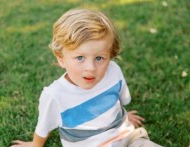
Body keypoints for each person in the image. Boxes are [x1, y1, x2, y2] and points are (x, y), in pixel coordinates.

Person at [11, 8, 161, 147]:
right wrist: (35, 145)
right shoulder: (55, 96)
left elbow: (118, 99)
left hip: (128, 138)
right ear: (61, 58)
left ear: (110, 56)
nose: (91, 68)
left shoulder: (113, 71)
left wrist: (123, 117)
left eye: (99, 58)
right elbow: (44, 127)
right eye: (80, 57)